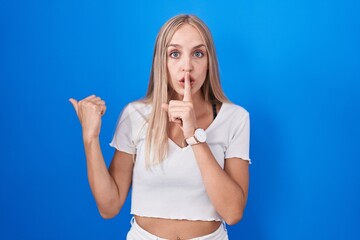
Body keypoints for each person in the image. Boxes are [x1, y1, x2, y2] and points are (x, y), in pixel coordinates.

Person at [70, 14, 250, 240]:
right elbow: (109, 207)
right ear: (161, 62)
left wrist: (194, 136)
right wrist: (90, 138)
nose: (187, 66)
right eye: (175, 54)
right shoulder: (135, 115)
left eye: (198, 53)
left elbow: (233, 213)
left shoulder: (235, 118)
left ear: (209, 61)